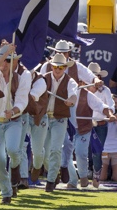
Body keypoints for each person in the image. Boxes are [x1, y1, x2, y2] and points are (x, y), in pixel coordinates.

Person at [41, 39, 103, 184]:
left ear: (68, 53)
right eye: (59, 52)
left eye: (64, 52)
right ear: (55, 52)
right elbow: (39, 80)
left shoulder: (76, 66)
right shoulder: (46, 66)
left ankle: (63, 171)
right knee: (46, 146)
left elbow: (88, 74)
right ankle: (55, 172)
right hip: (49, 108)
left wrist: (95, 79)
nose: (62, 54)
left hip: (68, 108)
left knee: (67, 143)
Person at [0, 43, 31, 204]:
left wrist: (13, 111)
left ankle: (15, 172)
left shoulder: (21, 77)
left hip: (13, 120)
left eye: (8, 61)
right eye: (2, 60)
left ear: (15, 62)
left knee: (13, 150)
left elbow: (22, 99)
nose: (4, 64)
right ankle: (6, 192)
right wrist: (2, 55)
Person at [66, 82, 116, 189]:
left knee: (85, 153)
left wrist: (110, 114)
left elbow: (102, 106)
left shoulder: (89, 94)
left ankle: (88, 176)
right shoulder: (65, 91)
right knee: (66, 155)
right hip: (68, 128)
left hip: (88, 127)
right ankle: (73, 179)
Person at [43, 53, 78, 192]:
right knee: (42, 152)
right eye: (56, 67)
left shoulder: (70, 81)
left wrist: (71, 100)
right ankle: (54, 171)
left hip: (60, 119)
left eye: (61, 67)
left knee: (56, 149)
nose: (58, 70)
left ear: (65, 68)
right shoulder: (44, 79)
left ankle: (50, 181)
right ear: (51, 66)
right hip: (44, 118)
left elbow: (74, 93)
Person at [87, 62, 115, 186]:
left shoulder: (106, 91)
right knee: (83, 150)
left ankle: (96, 175)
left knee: (97, 151)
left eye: (96, 76)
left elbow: (111, 106)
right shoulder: (83, 89)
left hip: (101, 124)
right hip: (86, 123)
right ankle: (88, 172)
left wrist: (110, 113)